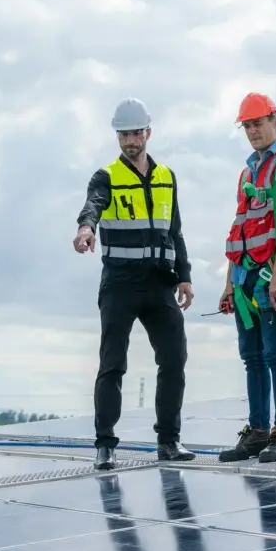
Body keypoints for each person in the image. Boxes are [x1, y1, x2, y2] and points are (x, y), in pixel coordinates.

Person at [73, 97, 197, 469]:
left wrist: (185, 276)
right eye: (124, 134)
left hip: (160, 284)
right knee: (113, 364)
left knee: (174, 360)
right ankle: (105, 445)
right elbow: (93, 204)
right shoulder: (106, 176)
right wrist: (85, 229)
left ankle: (169, 441)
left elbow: (174, 230)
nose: (130, 140)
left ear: (148, 132)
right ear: (118, 136)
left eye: (136, 133)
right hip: (120, 284)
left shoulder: (166, 177)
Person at [218, 92, 276, 463]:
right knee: (251, 356)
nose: (253, 130)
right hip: (244, 278)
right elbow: (240, 228)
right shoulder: (247, 171)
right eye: (247, 125)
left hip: (273, 274)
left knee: (274, 353)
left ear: (275, 120)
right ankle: (256, 431)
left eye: (258, 123)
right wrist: (229, 283)